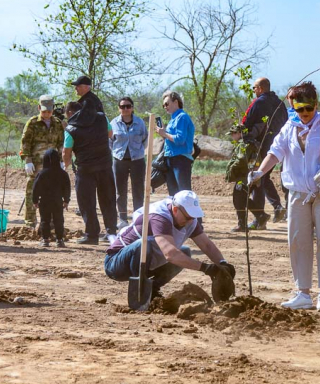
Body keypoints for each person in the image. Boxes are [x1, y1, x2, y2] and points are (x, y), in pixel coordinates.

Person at [249, 82, 320, 312]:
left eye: (308, 109)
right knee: (297, 242)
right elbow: (275, 152)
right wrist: (259, 171)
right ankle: (302, 292)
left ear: (316, 105)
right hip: (297, 193)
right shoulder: (289, 126)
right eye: (299, 109)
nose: (304, 114)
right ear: (293, 107)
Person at [104, 190, 236, 301]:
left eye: (193, 217)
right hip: (117, 264)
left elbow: (207, 245)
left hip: (147, 263)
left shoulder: (189, 220)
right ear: (175, 209)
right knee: (144, 245)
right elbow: (170, 254)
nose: (190, 221)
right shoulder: (159, 217)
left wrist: (222, 263)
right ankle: (140, 290)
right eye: (188, 217)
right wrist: (206, 268)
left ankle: (152, 290)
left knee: (185, 252)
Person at [63, 101, 118, 244]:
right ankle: (111, 232)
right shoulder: (101, 118)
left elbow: (66, 153)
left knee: (87, 203)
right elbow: (110, 134)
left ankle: (92, 235)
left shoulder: (70, 129)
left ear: (69, 113)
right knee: (108, 200)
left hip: (85, 170)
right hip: (105, 166)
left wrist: (65, 166)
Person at [241, 77, 288, 227]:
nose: (253, 90)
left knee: (257, 179)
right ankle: (276, 207)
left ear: (260, 88)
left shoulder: (258, 102)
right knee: (264, 177)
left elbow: (246, 124)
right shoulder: (280, 103)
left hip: (259, 147)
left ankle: (260, 218)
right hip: (278, 148)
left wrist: (242, 137)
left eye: (254, 88)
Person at [20, 95, 66, 227]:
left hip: (52, 167)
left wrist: (62, 161)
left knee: (52, 194)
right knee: (31, 193)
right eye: (44, 111)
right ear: (39, 108)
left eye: (49, 111)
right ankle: (30, 222)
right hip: (35, 165)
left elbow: (61, 143)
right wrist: (27, 160)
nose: (46, 114)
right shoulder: (32, 123)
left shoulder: (57, 124)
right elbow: (25, 143)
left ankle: (50, 222)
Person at [110, 97, 147, 229]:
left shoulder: (140, 123)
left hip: (137, 160)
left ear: (132, 107)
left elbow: (144, 138)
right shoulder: (113, 123)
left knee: (138, 190)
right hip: (119, 161)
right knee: (120, 191)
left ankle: (138, 218)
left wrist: (137, 151)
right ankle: (123, 219)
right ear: (118, 108)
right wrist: (116, 153)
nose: (125, 109)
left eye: (128, 106)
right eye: (122, 106)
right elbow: (110, 141)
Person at [157, 91, 195, 196]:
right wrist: (164, 134)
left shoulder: (182, 117)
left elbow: (179, 139)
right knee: (173, 194)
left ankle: (188, 212)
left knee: (184, 194)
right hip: (171, 158)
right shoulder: (173, 119)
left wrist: (164, 133)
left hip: (181, 159)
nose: (165, 107)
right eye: (163, 105)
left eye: (167, 103)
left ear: (176, 102)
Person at [225, 124, 262, 232]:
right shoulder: (251, 142)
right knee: (242, 199)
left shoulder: (243, 144)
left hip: (243, 177)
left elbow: (241, 160)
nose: (232, 136)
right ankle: (260, 215)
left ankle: (243, 224)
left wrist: (231, 168)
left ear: (239, 133)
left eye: (233, 134)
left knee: (238, 200)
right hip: (250, 175)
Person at [32, 148, 71, 247]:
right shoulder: (63, 174)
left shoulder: (42, 174)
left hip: (44, 201)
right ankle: (59, 240)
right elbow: (67, 188)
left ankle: (45, 240)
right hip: (58, 201)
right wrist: (66, 200)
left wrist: (35, 200)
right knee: (59, 220)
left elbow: (35, 188)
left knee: (45, 220)